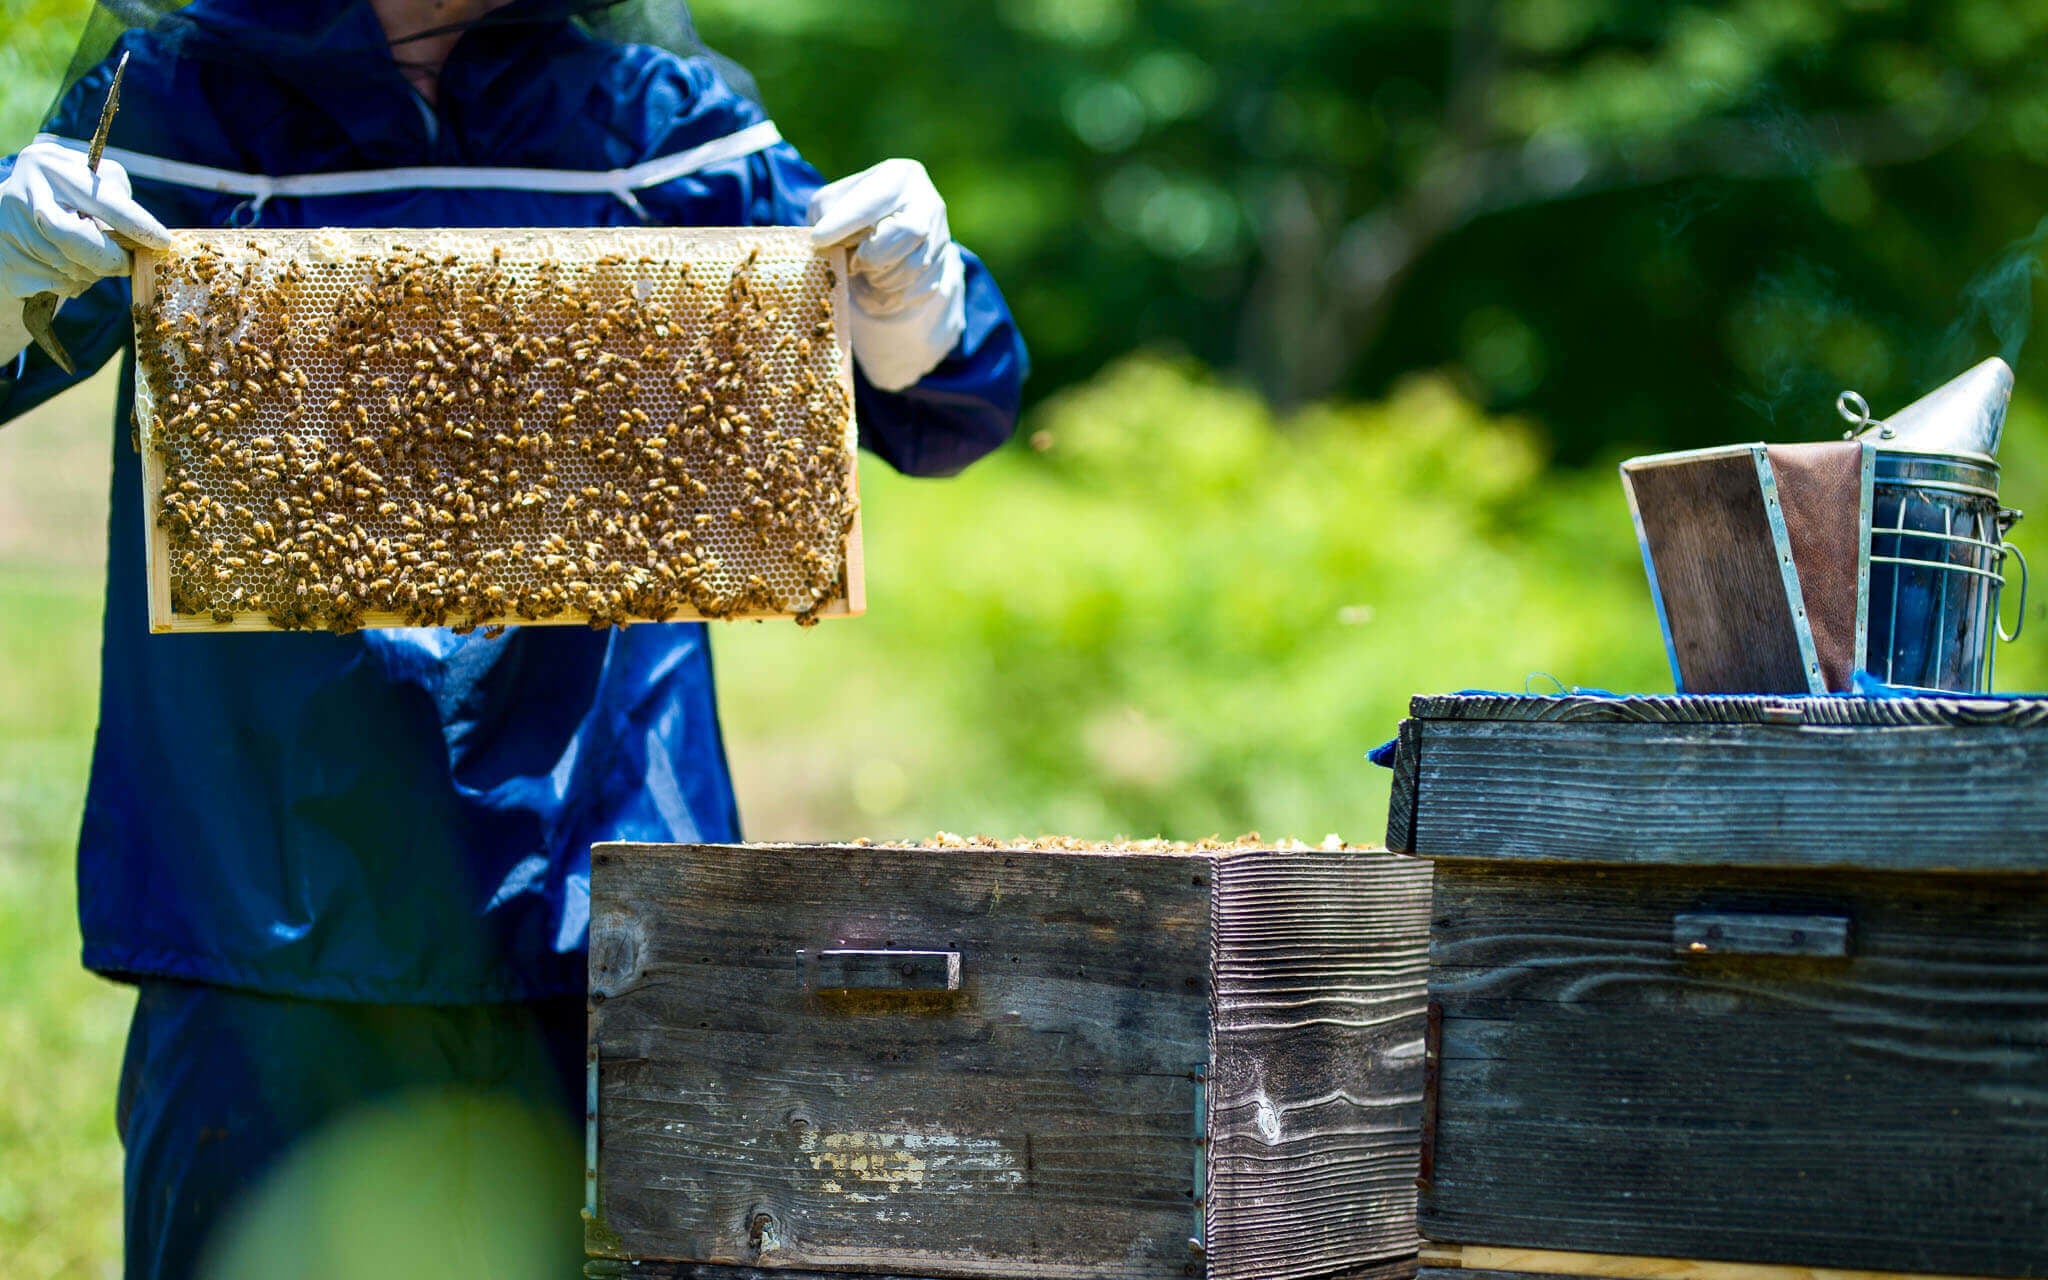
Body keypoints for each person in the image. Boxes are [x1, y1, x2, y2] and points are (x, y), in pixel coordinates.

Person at [0, 2, 1027, 1277]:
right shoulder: (173, 103)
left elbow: (951, 402)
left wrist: (913, 303)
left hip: (604, 897)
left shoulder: (651, 120)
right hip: (260, 896)